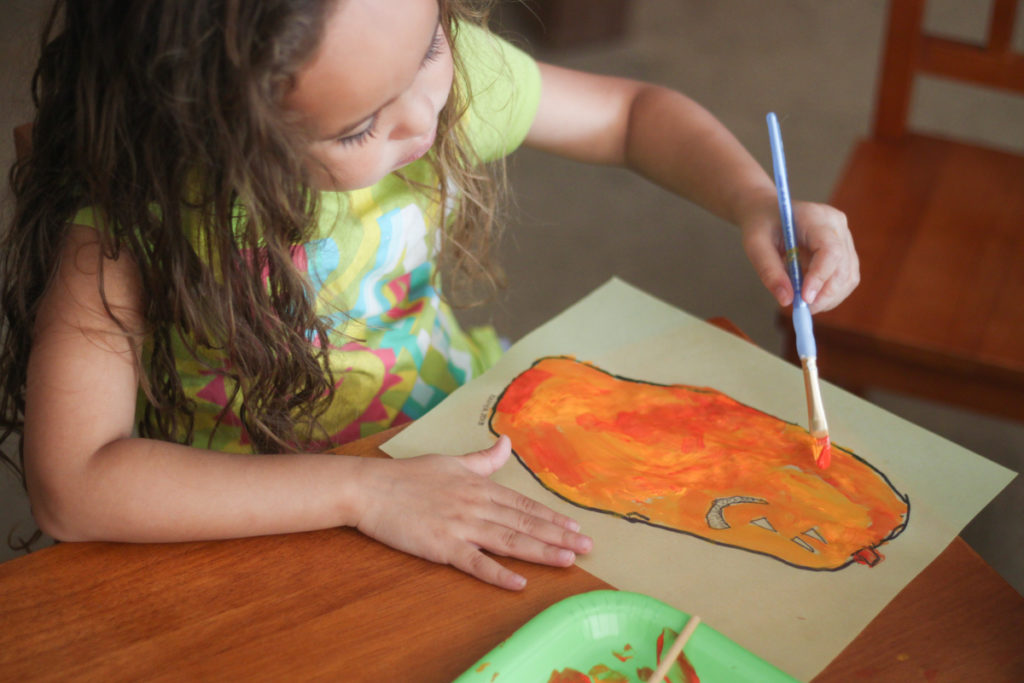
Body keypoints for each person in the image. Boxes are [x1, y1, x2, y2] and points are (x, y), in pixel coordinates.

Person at [0, 0, 858, 590]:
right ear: (213, 133)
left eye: (431, 49)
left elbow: (630, 114)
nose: (425, 114)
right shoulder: (129, 216)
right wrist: (363, 492)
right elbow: (73, 483)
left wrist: (754, 199)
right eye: (358, 127)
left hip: (443, 433)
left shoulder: (401, 57)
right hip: (240, 514)